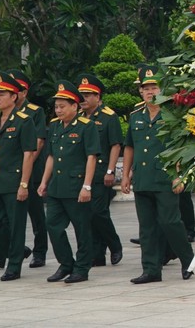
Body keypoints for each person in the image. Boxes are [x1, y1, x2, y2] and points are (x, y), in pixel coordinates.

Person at [121, 66, 194, 284]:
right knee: (147, 227)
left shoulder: (172, 114)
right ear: (140, 92)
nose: (150, 91)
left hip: (165, 177)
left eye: (154, 87)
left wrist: (178, 175)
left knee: (170, 222)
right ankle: (151, 269)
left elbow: (180, 146)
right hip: (143, 178)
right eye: (146, 88)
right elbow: (130, 147)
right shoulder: (135, 116)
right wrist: (125, 174)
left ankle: (188, 260)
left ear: (161, 89)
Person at [36, 80, 99, 283]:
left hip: (76, 186)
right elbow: (51, 157)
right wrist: (44, 181)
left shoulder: (86, 126)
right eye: (56, 106)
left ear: (74, 106)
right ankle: (65, 264)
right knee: (52, 225)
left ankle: (82, 268)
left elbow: (91, 157)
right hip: (57, 186)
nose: (58, 110)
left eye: (62, 106)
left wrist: (87, 186)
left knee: (82, 229)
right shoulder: (54, 126)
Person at [0, 71, 37, 280]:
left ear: (14, 97)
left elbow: (29, 154)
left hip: (14, 181)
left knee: (16, 224)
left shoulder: (24, 121)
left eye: (2, 94)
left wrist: (24, 184)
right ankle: (17, 250)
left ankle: (13, 266)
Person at [75, 73, 124, 268]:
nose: (83, 99)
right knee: (87, 215)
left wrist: (111, 171)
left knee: (98, 212)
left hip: (102, 171)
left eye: (88, 95)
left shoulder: (108, 117)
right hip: (83, 173)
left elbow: (115, 145)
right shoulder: (78, 117)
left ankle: (115, 244)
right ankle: (97, 254)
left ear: (97, 96)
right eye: (81, 95)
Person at [7, 69, 49, 270]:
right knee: (6, 214)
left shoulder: (35, 111)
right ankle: (12, 248)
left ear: (24, 92)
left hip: (31, 170)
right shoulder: (4, 114)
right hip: (9, 172)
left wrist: (27, 165)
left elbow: (39, 142)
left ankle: (40, 252)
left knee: (36, 213)